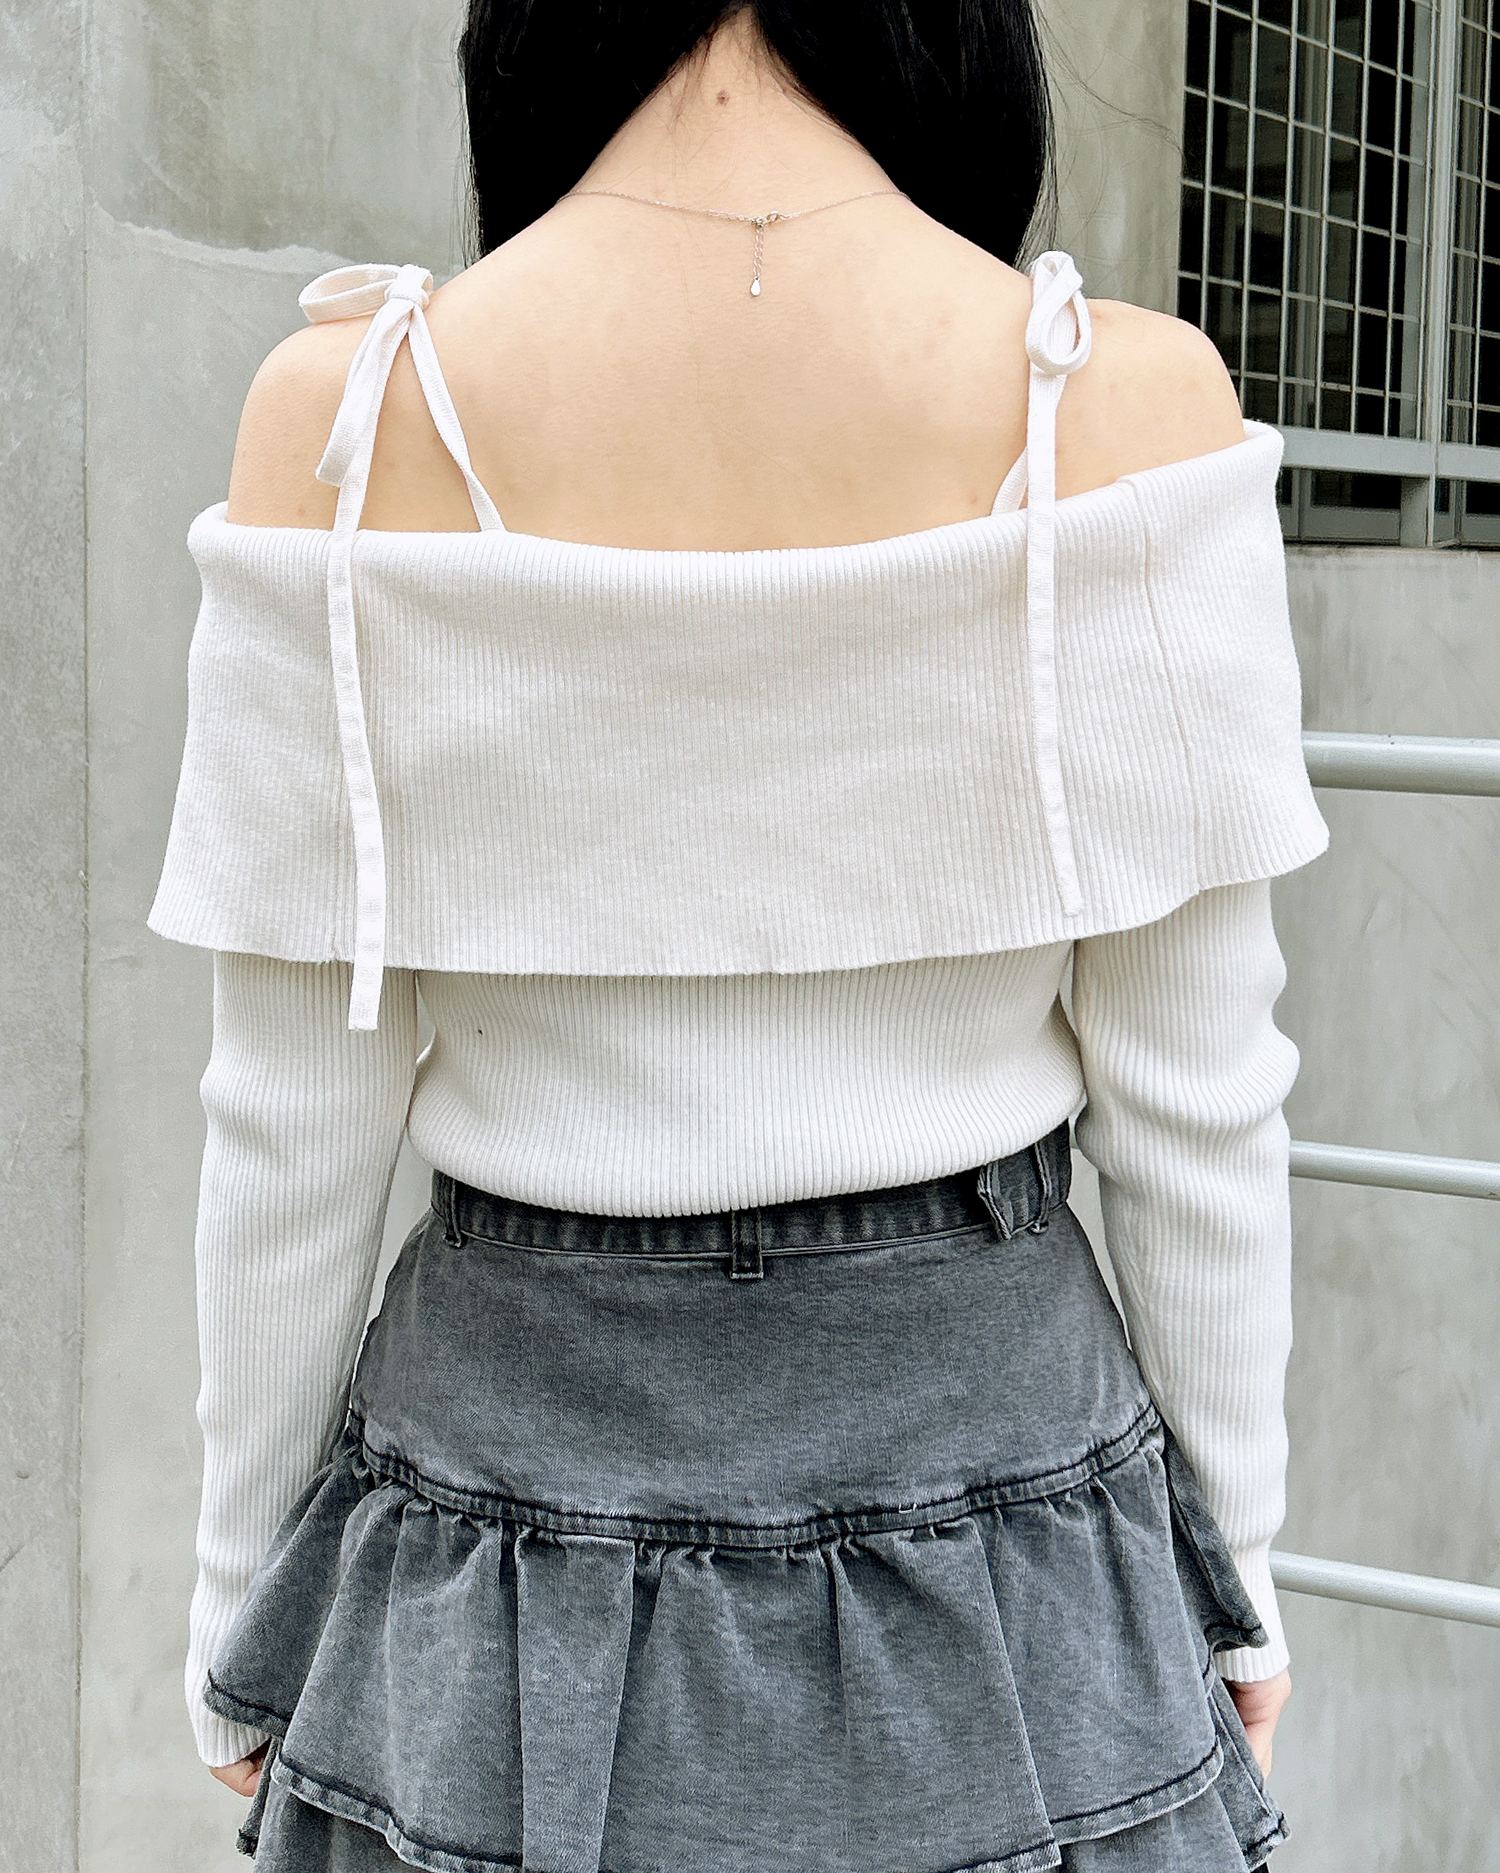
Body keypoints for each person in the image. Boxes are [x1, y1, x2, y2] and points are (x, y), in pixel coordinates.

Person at [146, 4, 1329, 1868]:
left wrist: (243, 1602)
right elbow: (1197, 1107)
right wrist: (1234, 1568)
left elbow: (293, 1126)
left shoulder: (352, 423)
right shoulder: (1119, 404)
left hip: (494, 1525)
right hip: (1013, 1530)